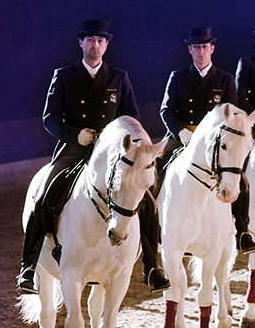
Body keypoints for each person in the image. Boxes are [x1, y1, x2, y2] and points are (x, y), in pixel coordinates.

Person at [16, 19, 165, 294]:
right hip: (74, 150)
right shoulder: (63, 75)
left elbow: (131, 118)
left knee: (148, 203)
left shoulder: (119, 77)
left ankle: (153, 266)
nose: (95, 45)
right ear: (81, 43)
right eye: (90, 40)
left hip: (112, 155)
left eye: (100, 41)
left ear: (106, 45)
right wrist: (76, 135)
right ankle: (28, 266)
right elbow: (50, 118)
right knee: (44, 194)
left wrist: (129, 144)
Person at [159, 27, 255, 257]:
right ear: (190, 50)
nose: (201, 51)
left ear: (212, 49)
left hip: (214, 144)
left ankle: (242, 232)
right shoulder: (178, 76)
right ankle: (154, 229)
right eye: (197, 47)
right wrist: (181, 132)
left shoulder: (224, 79)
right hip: (182, 137)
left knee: (242, 182)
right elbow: (166, 110)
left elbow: (233, 115)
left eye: (205, 47)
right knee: (155, 170)